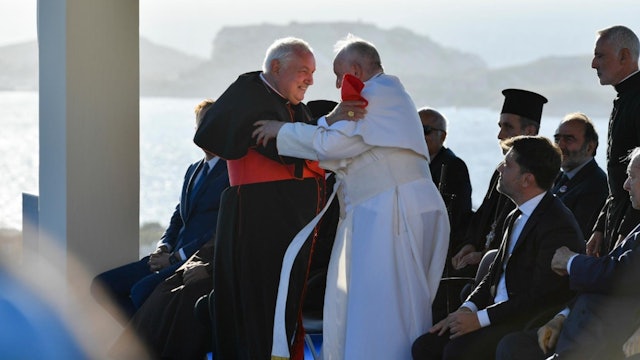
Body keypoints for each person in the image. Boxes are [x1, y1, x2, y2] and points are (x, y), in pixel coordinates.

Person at [253, 34, 450, 359]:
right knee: (369, 305)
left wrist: (281, 130)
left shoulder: (379, 92)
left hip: (390, 209)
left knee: (385, 308)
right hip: (377, 210)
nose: (334, 85)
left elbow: (333, 145)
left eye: (337, 75)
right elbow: (339, 143)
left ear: (355, 69)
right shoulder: (382, 94)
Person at [192, 37, 328, 360]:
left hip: (287, 219)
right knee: (259, 308)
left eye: (313, 72)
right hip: (257, 218)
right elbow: (286, 151)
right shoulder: (248, 95)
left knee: (284, 306)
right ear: (277, 67)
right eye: (304, 71)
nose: (310, 79)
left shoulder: (292, 104)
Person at [411, 135, 586, 360]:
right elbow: (493, 274)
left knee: (457, 352)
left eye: (508, 164)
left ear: (526, 179)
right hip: (495, 313)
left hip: (522, 320)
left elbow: (540, 296)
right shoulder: (515, 214)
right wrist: (467, 309)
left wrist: (480, 319)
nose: (500, 168)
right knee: (424, 346)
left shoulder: (557, 225)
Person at [91, 99, 229, 323]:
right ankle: (145, 340)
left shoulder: (231, 173)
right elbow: (178, 217)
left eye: (208, 124)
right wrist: (163, 246)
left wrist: (176, 257)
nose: (201, 130)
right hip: (170, 255)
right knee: (102, 285)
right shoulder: (193, 170)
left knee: (140, 292)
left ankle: (144, 344)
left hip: (193, 261)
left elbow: (218, 229)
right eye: (198, 125)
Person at [496, 146, 640, 360]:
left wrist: (571, 261)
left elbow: (620, 275)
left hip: (604, 339)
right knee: (512, 346)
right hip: (579, 326)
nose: (626, 185)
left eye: (632, 177)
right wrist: (562, 317)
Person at [450, 89, 547, 276]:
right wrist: (469, 244)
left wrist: (483, 256)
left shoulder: (540, 178)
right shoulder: (501, 170)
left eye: (508, 127)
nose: (500, 135)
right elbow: (485, 212)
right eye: (500, 126)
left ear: (529, 132)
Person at [588, 25, 640, 256]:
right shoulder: (626, 98)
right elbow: (617, 176)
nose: (594, 64)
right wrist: (600, 227)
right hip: (617, 222)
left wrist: (627, 231)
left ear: (624, 56)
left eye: (600, 56)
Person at [418, 107, 473, 320]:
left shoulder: (453, 166)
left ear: (443, 136)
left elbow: (459, 213)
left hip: (441, 248)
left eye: (426, 130)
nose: (420, 135)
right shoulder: (413, 163)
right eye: (416, 129)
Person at [551, 112, 608, 238]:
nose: (560, 145)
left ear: (589, 147)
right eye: (557, 139)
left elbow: (576, 236)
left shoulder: (595, 186)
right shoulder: (559, 178)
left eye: (569, 139)